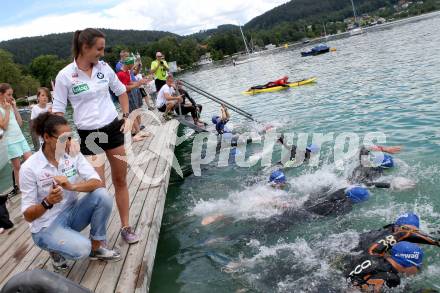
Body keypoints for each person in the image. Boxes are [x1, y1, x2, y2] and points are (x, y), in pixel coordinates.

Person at [52, 28, 139, 244]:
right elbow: (58, 112)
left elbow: (121, 91)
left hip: (113, 129)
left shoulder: (105, 68)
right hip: (89, 136)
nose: (102, 53)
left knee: (120, 180)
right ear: (85, 47)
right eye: (99, 48)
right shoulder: (65, 76)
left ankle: (126, 227)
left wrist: (127, 116)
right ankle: (98, 238)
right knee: (98, 187)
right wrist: (65, 139)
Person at [20, 113, 121, 270]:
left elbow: (97, 181)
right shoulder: (29, 168)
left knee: (102, 195)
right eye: (64, 138)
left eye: (70, 137)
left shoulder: (72, 155)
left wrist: (72, 187)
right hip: (45, 226)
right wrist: (47, 202)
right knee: (82, 250)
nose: (69, 142)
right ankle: (54, 249)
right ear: (46, 137)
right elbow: (27, 215)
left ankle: (96, 247)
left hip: (71, 214)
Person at [346, 241, 424, 292]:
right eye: (417, 267)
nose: (417, 271)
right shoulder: (392, 279)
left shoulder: (371, 256)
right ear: (409, 264)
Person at [354, 212, 439, 256]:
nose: (410, 234)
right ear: (397, 227)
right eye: (406, 229)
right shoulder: (389, 236)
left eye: (415, 231)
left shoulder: (391, 229)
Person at [0, 83, 32, 196]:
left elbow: (20, 123)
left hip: (20, 138)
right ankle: (23, 191)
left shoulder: (10, 105)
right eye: (9, 95)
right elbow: (3, 126)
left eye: (11, 95)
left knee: (30, 160)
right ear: (1, 95)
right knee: (17, 167)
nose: (11, 97)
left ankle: (32, 183)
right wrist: (7, 110)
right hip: (10, 141)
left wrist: (14, 107)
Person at [116, 55, 149, 139]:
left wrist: (140, 82)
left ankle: (138, 132)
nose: (133, 67)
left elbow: (129, 82)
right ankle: (137, 133)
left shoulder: (126, 72)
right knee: (131, 114)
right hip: (125, 96)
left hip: (129, 94)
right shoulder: (120, 74)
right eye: (132, 65)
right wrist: (138, 84)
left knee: (134, 112)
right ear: (128, 64)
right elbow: (125, 88)